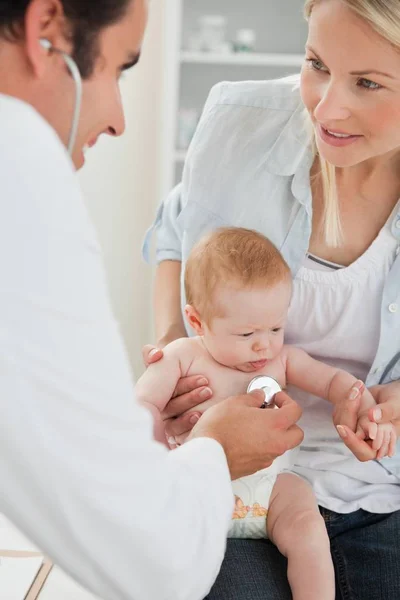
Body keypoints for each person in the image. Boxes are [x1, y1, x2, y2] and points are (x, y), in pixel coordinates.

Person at [0, 1, 306, 600]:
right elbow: (154, 562)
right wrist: (216, 446)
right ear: (46, 30)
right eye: (117, 68)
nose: (117, 119)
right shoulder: (20, 168)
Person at [144, 0, 400, 597]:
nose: (326, 106)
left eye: (367, 82)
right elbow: (172, 229)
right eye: (316, 63)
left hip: (375, 486)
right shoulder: (242, 125)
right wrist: (171, 350)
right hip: (234, 480)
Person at [139, 226, 396, 600]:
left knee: (309, 528)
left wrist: (357, 400)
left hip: (272, 487)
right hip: (205, 485)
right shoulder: (182, 355)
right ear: (197, 321)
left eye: (276, 327)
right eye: (246, 334)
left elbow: (332, 382)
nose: (264, 344)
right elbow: (143, 403)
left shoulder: (281, 358)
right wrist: (159, 454)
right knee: (164, 549)